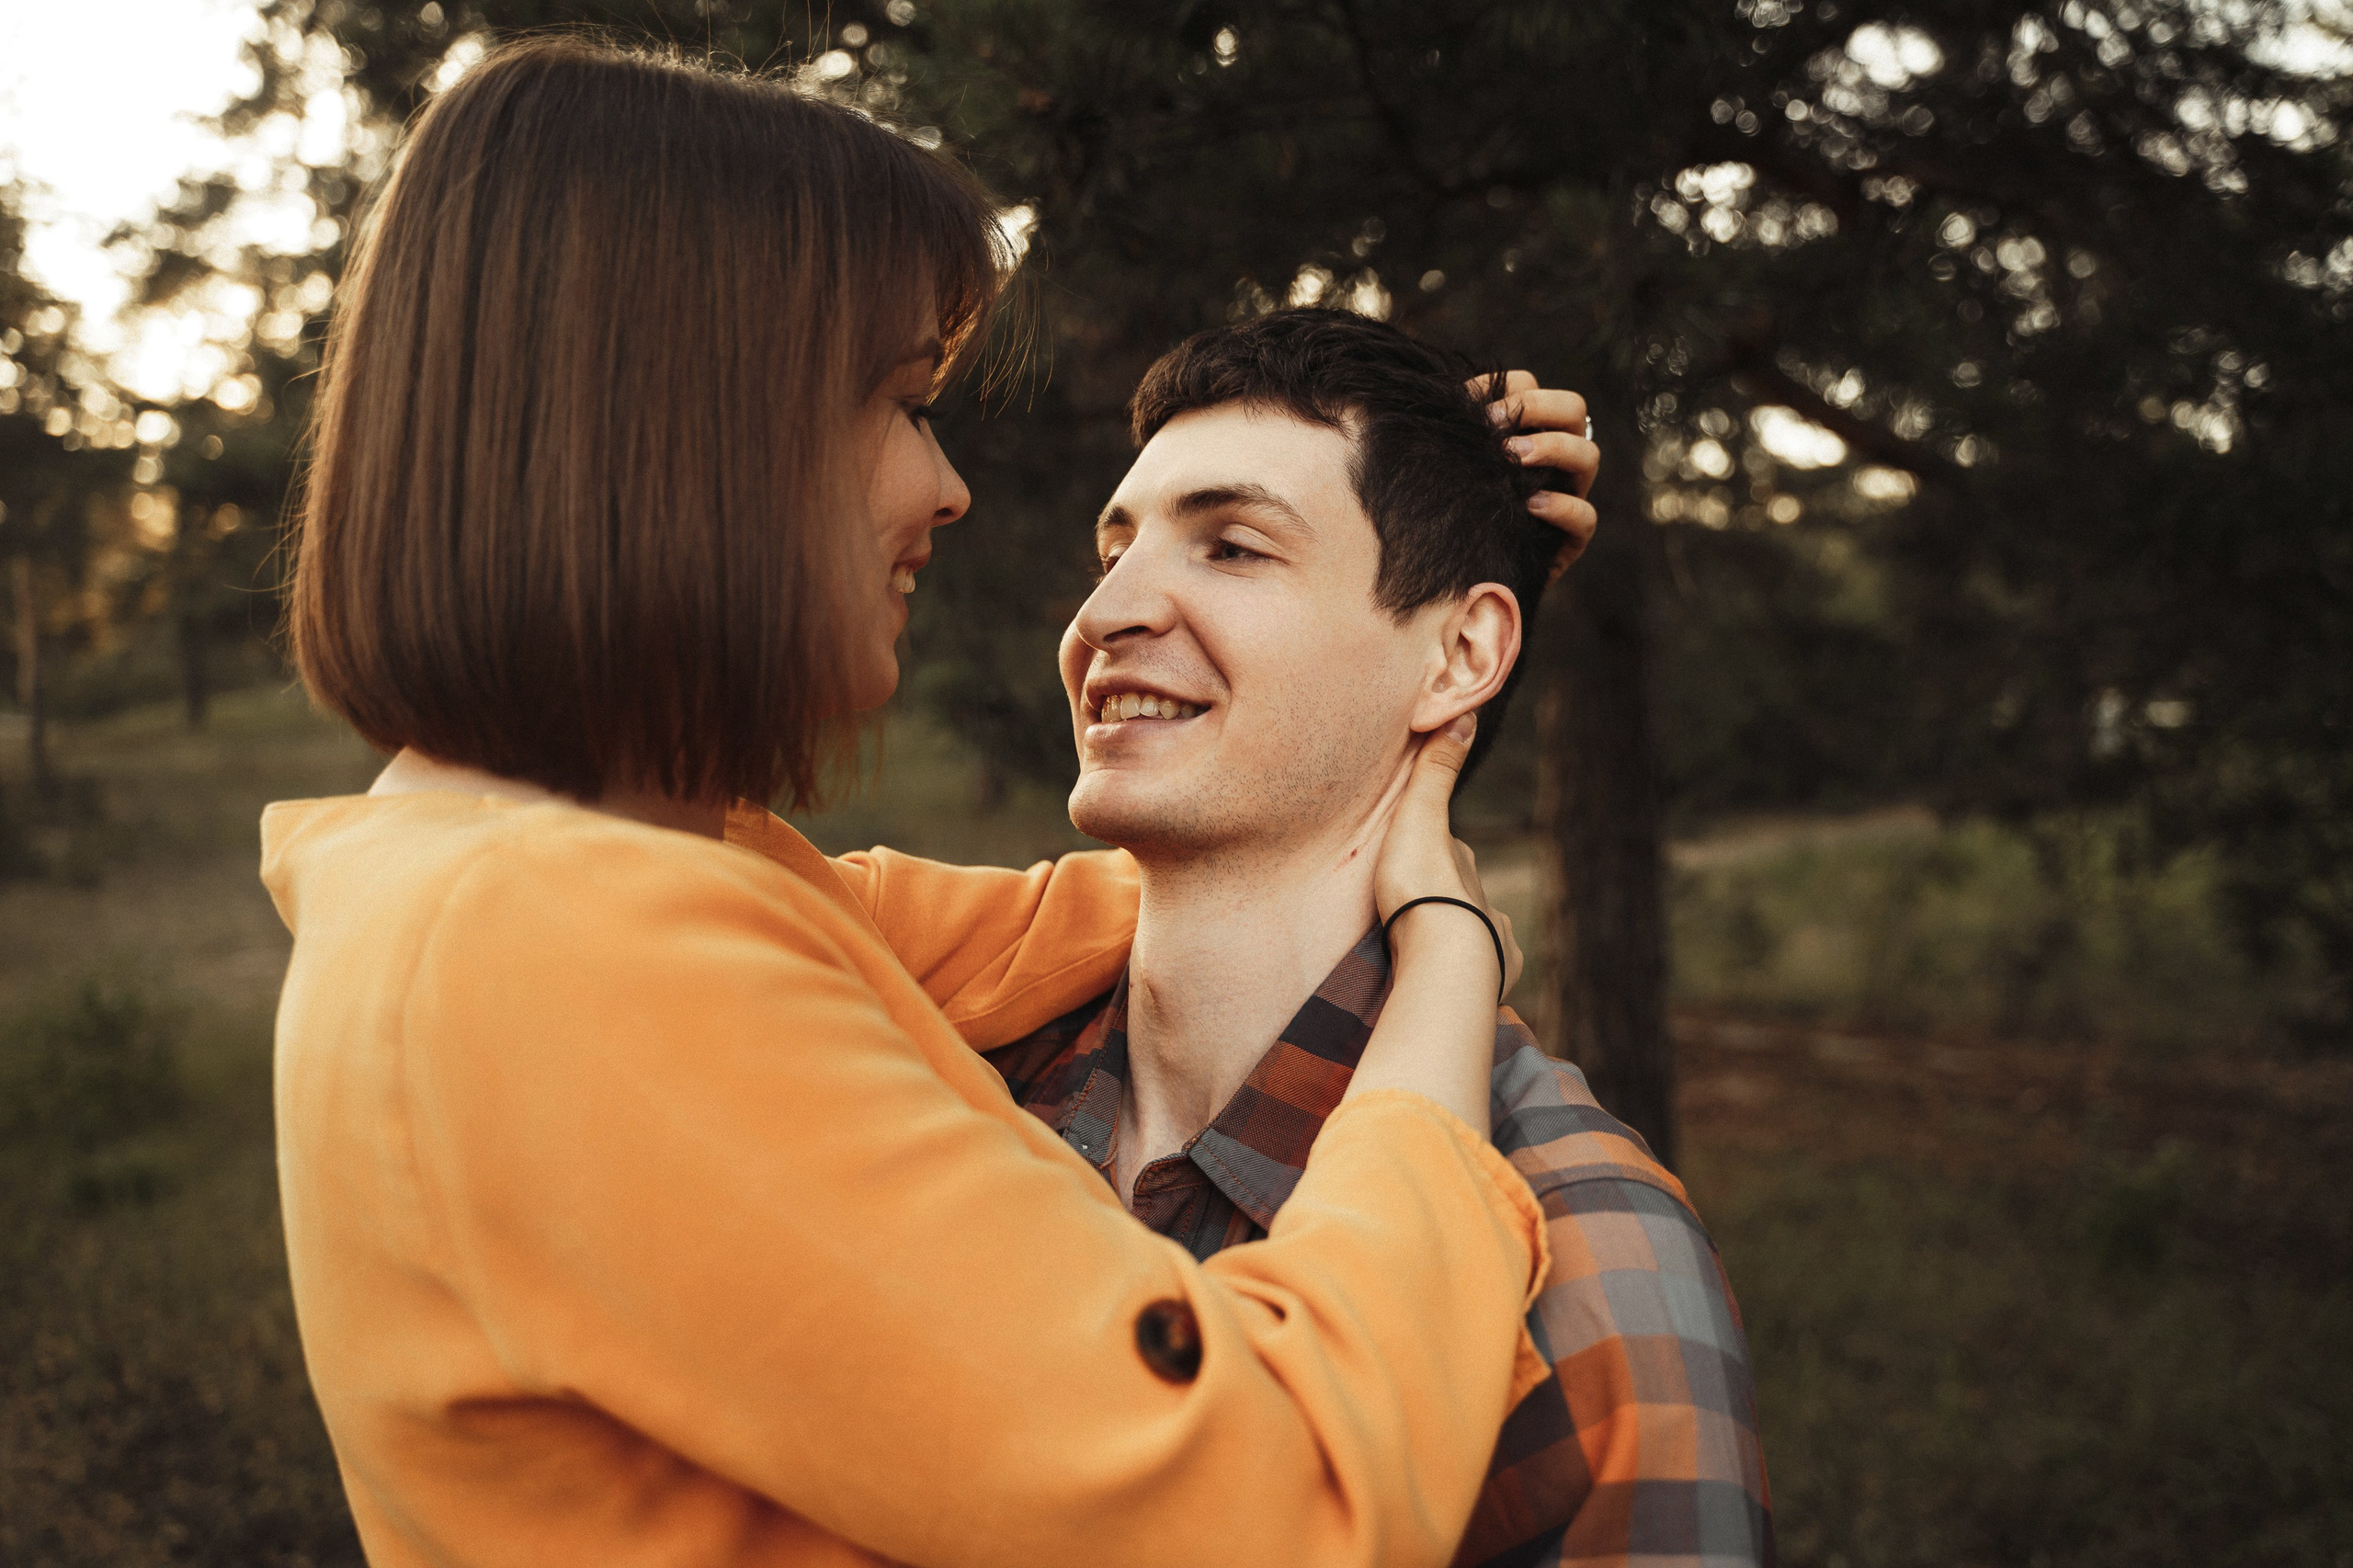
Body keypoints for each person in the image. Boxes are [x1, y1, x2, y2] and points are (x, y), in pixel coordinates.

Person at [259, 35, 1608, 1568]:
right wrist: (1446, 939)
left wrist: (1393, 667)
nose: (947, 486)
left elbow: (1061, 918)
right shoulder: (563, 948)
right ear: (702, 424)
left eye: (1233, 544)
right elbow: (1280, 1494)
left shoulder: (528, 867)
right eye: (906, 400)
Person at [983, 308, 1772, 1566]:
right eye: (1115, 546)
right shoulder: (949, 1085)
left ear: (1463, 651)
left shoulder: (1585, 1270)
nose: (1106, 611)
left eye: (1232, 546)